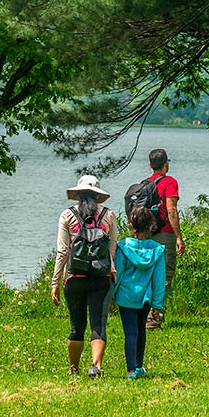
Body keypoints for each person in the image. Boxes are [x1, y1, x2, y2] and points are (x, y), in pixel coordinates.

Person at [52, 175, 118, 378]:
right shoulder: (109, 215)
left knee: (76, 325)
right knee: (98, 324)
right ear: (98, 196)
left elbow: (63, 252)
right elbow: (112, 250)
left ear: (78, 195)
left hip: (74, 277)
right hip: (101, 278)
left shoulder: (67, 215)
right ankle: (96, 367)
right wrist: (112, 276)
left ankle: (74, 369)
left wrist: (55, 282)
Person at [113, 206, 167, 379]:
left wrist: (113, 295)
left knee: (130, 332)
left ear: (131, 225)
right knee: (141, 330)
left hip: (125, 295)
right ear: (151, 225)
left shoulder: (123, 247)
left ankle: (130, 370)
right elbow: (159, 279)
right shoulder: (157, 250)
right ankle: (138, 366)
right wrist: (157, 304)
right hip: (145, 297)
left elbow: (118, 273)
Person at [145, 148, 185, 329]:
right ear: (166, 164)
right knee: (165, 275)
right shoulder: (170, 182)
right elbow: (171, 210)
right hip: (164, 234)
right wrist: (178, 237)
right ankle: (154, 318)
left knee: (148, 274)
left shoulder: (145, 184)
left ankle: (144, 314)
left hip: (147, 235)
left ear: (150, 164)